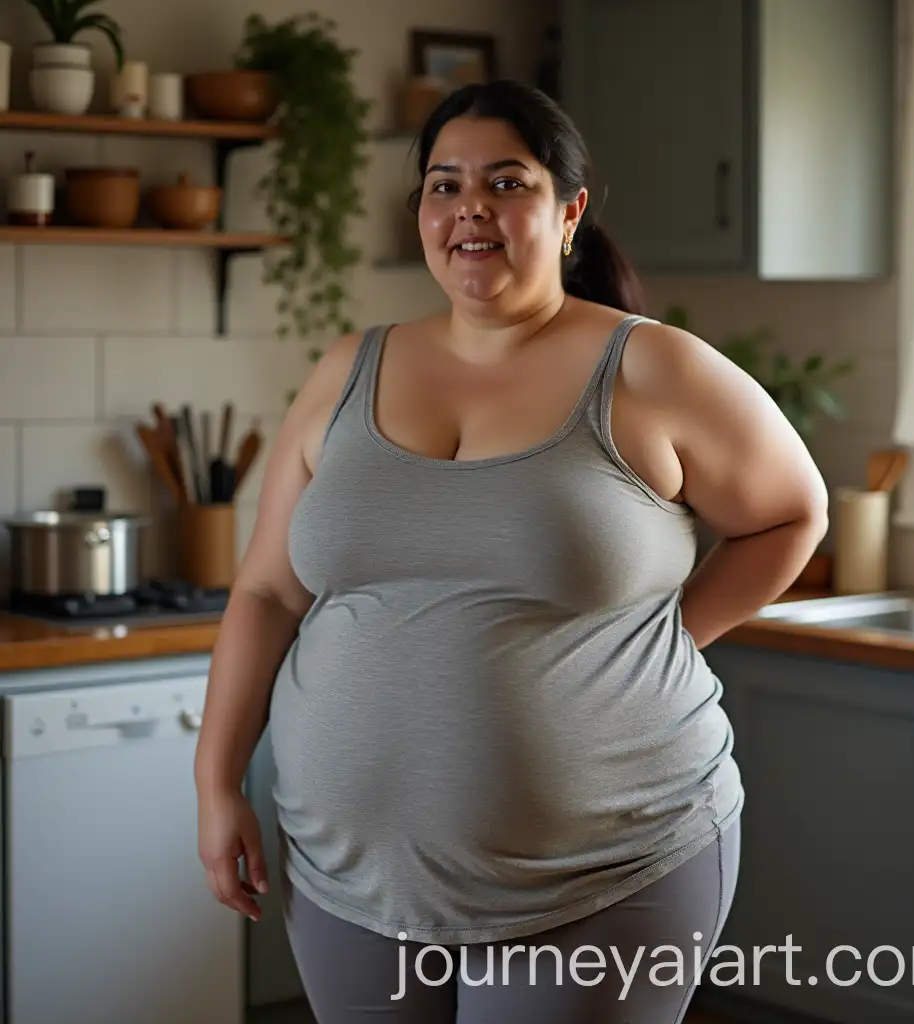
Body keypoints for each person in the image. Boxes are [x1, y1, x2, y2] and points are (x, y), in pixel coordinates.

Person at [195, 78, 828, 1023]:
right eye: (444, 186)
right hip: (344, 877)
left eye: (506, 183)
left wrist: (670, 638)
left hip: (603, 877)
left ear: (568, 211)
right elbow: (267, 595)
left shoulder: (652, 367)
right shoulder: (347, 368)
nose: (470, 211)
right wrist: (216, 783)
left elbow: (794, 514)